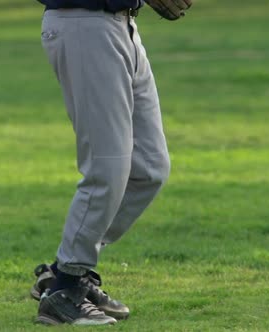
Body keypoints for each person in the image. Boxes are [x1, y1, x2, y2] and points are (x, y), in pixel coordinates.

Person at [32, 0, 190, 326]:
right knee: (108, 166)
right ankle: (64, 290)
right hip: (84, 24)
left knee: (149, 167)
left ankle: (65, 270)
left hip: (124, 26)